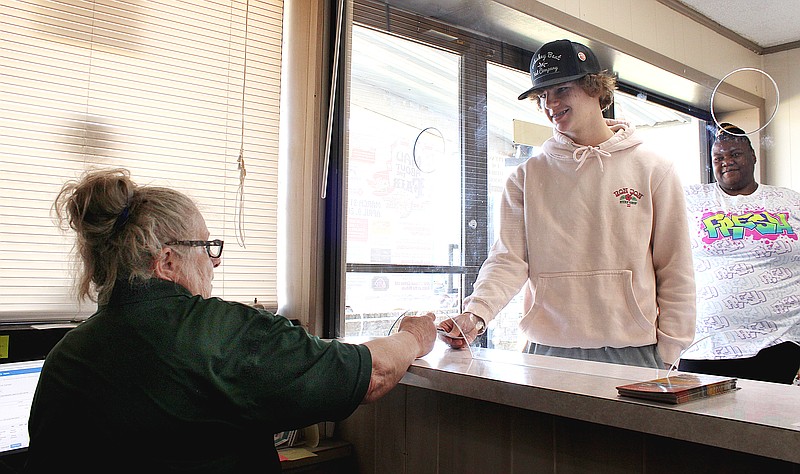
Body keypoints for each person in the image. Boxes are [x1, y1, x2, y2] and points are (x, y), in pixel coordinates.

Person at [25, 168, 436, 473]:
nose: (216, 261)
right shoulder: (219, 334)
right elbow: (375, 373)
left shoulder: (66, 356)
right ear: (167, 260)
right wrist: (414, 335)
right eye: (207, 246)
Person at [437, 39, 696, 369]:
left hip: (635, 351)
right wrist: (476, 314)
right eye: (543, 95)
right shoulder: (526, 176)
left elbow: (675, 266)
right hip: (546, 349)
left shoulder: (653, 169)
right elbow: (508, 259)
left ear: (593, 87)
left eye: (560, 90)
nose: (550, 104)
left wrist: (671, 349)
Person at [679, 123, 800, 384]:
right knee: (699, 423)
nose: (726, 162)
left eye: (735, 154)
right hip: (703, 345)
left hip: (780, 343)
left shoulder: (789, 201)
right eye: (718, 157)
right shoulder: (690, 199)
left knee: (768, 423)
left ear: (753, 156)